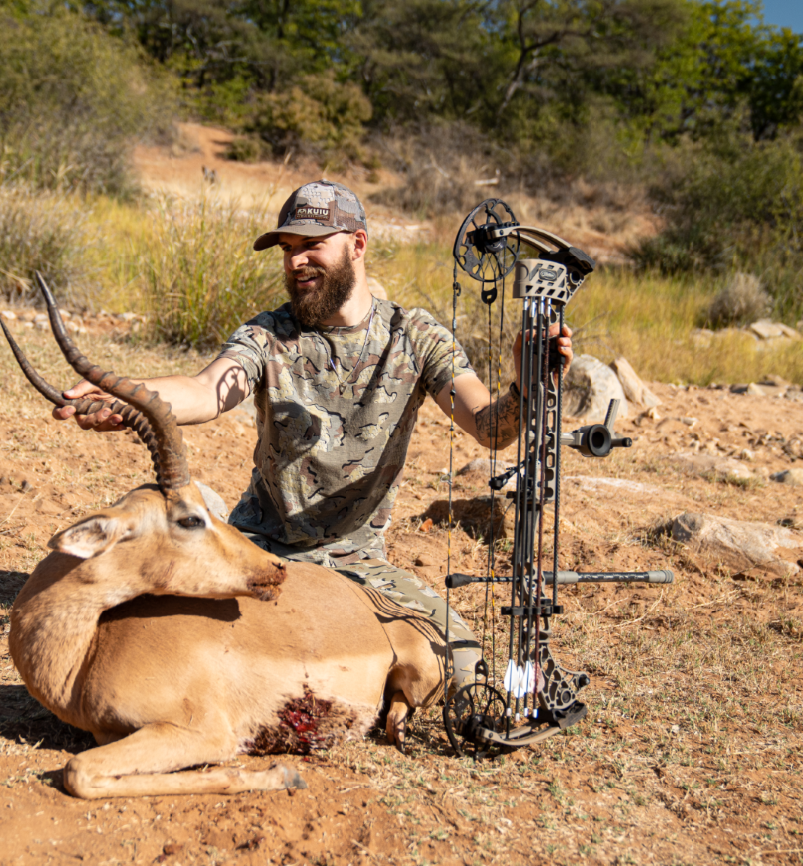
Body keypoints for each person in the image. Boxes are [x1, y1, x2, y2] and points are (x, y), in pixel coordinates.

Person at [54, 180, 572, 692]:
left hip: (360, 563)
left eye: (311, 246)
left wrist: (526, 385)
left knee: (464, 671)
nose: (295, 261)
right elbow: (207, 390)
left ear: (358, 244)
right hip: (258, 547)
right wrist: (130, 396)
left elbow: (489, 427)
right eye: (287, 249)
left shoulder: (416, 337)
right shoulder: (267, 335)